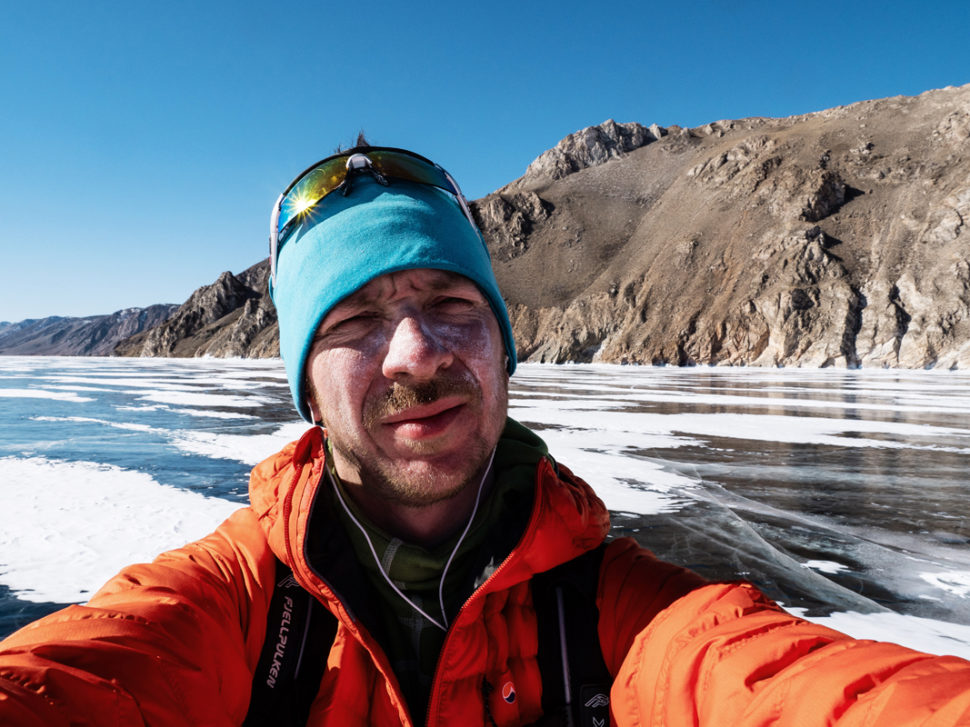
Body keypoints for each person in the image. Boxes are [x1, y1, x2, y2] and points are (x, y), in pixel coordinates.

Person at [1, 143, 969, 727]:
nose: (415, 353)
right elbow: (80, 676)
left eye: (450, 304)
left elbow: (796, 687)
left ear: (505, 350)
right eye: (353, 322)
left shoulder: (623, 612)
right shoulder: (231, 604)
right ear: (304, 382)